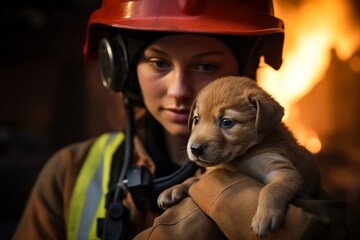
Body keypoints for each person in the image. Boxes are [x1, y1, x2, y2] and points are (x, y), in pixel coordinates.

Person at [13, 0, 348, 239]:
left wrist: (223, 191)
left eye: (206, 66)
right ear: (121, 71)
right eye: (159, 63)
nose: (179, 90)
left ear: (244, 73)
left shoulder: (292, 169)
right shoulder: (69, 172)